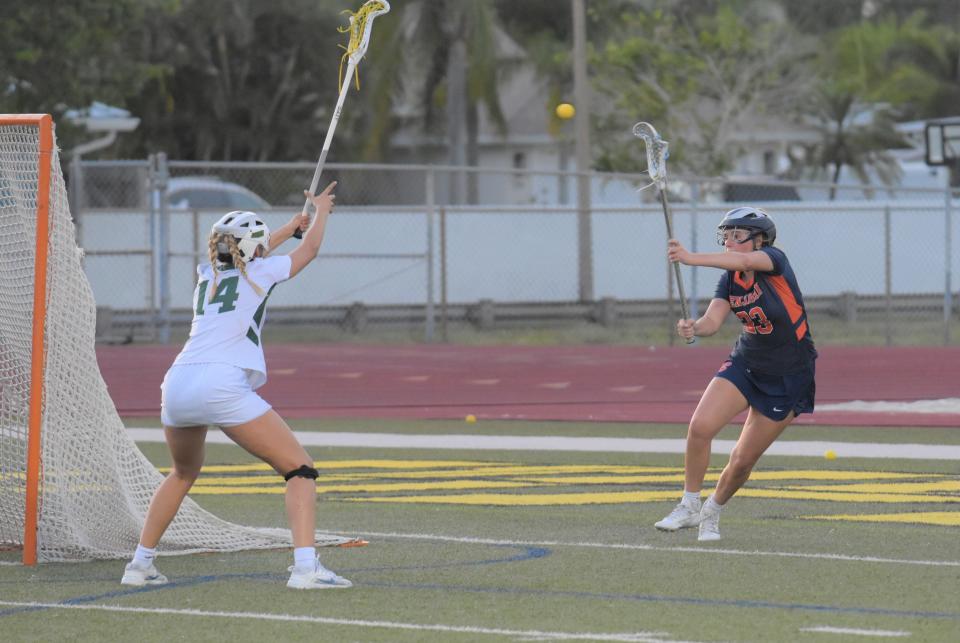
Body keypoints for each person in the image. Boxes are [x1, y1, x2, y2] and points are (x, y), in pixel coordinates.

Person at [121, 182, 350, 589]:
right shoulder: (260, 269)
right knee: (300, 469)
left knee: (181, 472)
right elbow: (308, 252)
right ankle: (305, 569)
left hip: (177, 384)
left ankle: (139, 565)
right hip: (221, 383)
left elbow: (249, 253)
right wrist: (321, 213)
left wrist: (287, 228)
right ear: (253, 250)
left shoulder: (206, 276)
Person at [654, 206, 817, 541]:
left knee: (742, 460)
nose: (729, 243)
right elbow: (712, 323)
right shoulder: (730, 280)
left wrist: (689, 257)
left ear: (760, 241)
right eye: (725, 236)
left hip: (789, 373)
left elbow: (743, 262)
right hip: (747, 361)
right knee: (700, 427)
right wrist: (693, 327)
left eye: (737, 236)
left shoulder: (774, 260)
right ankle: (688, 505)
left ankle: (711, 512)